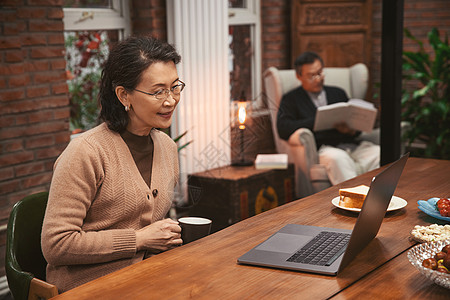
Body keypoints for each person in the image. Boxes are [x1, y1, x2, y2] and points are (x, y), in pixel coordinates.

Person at [41, 36, 185, 292]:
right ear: (123, 95)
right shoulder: (86, 152)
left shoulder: (167, 147)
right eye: (158, 91)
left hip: (149, 279)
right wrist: (139, 239)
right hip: (89, 287)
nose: (170, 100)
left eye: (175, 87)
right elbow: (57, 245)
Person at [277, 51, 379, 185]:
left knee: (379, 153)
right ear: (299, 76)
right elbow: (283, 128)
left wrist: (350, 130)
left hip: (352, 144)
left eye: (320, 73)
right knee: (338, 159)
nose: (318, 79)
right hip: (326, 148)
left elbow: (355, 125)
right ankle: (355, 201)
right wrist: (316, 121)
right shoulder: (291, 99)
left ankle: (379, 200)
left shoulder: (337, 92)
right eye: (311, 76)